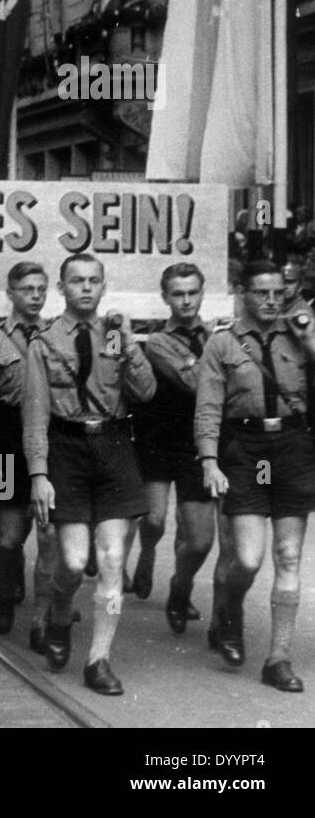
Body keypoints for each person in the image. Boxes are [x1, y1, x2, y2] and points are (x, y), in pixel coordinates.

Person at [23, 253, 155, 696]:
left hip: (114, 448)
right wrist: (39, 474)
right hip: (66, 450)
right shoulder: (44, 343)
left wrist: (128, 340)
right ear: (62, 287)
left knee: (114, 560)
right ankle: (60, 615)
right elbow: (36, 414)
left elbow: (144, 390)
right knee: (75, 564)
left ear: (103, 286)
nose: (85, 288)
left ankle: (99, 659)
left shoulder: (113, 336)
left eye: (93, 281)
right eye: (76, 281)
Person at [196, 260, 315, 693]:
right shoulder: (223, 343)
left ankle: (278, 659)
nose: (271, 301)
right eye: (261, 292)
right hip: (248, 453)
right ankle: (230, 609)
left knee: (287, 555)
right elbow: (208, 407)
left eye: (278, 293)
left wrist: (309, 337)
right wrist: (209, 461)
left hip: (292, 447)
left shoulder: (299, 336)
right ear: (242, 293)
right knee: (247, 557)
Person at [0, 262, 59, 643]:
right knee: (8, 535)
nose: (34, 296)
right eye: (26, 289)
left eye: (40, 288)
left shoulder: (57, 335)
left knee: (50, 531)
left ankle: (47, 606)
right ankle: (4, 593)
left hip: (51, 437)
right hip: (5, 438)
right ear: (11, 294)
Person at [125, 264, 218, 635]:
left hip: (197, 441)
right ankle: (147, 553)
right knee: (154, 519)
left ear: (202, 293)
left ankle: (181, 587)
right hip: (158, 437)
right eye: (178, 294)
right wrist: (213, 366)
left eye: (192, 292)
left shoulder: (213, 335)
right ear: (165, 297)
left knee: (197, 537)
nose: (186, 301)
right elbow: (197, 381)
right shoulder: (158, 340)